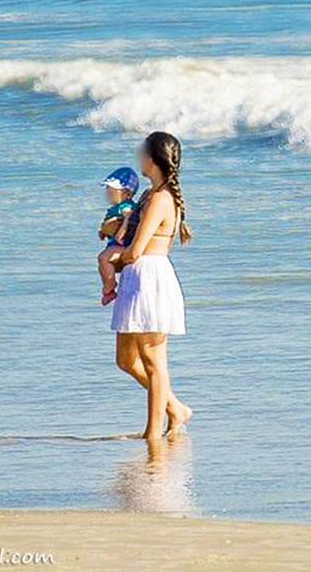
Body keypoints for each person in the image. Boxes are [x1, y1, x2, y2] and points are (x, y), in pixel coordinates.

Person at [106, 132, 194, 439]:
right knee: (125, 360)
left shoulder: (161, 198)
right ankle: (175, 408)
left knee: (154, 362)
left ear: (153, 160)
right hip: (136, 278)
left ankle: (153, 433)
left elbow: (135, 250)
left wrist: (113, 258)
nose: (138, 157)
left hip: (150, 279)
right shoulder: (148, 194)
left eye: (142, 152)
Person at [97, 166, 140, 305]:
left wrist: (122, 230)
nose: (108, 193)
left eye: (112, 191)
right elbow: (110, 224)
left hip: (123, 244)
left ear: (127, 193)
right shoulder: (115, 208)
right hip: (114, 243)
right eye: (108, 190)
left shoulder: (125, 206)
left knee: (103, 258)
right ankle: (109, 286)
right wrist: (103, 231)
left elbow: (129, 216)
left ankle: (109, 288)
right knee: (102, 264)